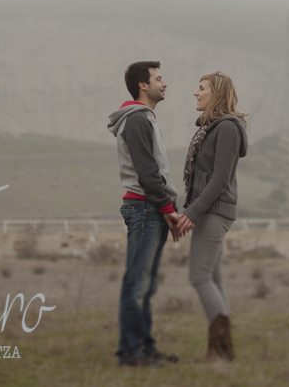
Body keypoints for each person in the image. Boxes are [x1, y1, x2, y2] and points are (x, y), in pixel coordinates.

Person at [107, 61, 181, 367]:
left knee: (145, 285)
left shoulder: (146, 119)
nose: (164, 84)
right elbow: (148, 173)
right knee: (137, 285)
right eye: (159, 78)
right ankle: (131, 352)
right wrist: (167, 210)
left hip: (151, 208)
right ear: (143, 85)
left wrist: (168, 209)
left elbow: (157, 173)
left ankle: (145, 348)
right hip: (144, 209)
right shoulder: (137, 120)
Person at [176, 71, 248, 361]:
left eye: (202, 88)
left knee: (199, 277)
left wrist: (191, 213)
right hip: (209, 211)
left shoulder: (227, 128)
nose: (196, 92)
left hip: (214, 212)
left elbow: (219, 179)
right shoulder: (212, 127)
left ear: (216, 94)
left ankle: (220, 348)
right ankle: (223, 349)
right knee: (214, 279)